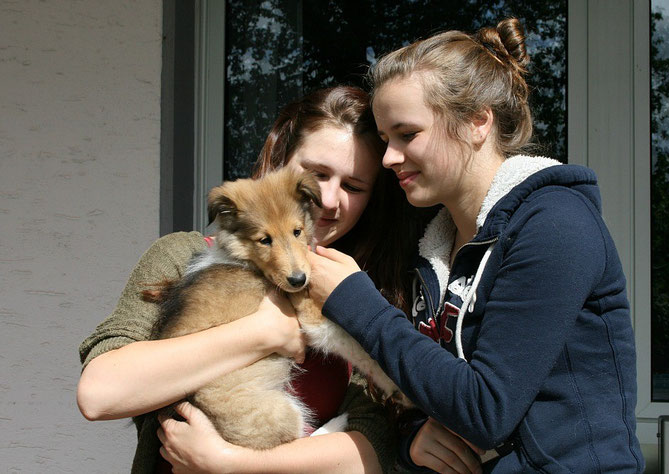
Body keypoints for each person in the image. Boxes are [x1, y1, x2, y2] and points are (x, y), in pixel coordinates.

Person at [305, 20, 645, 472]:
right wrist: (412, 442)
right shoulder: (435, 246)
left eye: (407, 134)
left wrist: (355, 301)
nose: (388, 158)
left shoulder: (556, 224)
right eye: (386, 140)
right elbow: (426, 389)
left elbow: (486, 411)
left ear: (477, 121)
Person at [77, 86, 431, 474]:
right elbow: (99, 394)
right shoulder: (182, 256)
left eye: (353, 186)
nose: (329, 199)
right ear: (282, 161)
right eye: (317, 174)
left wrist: (232, 463)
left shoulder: (359, 291)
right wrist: (263, 332)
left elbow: (371, 449)